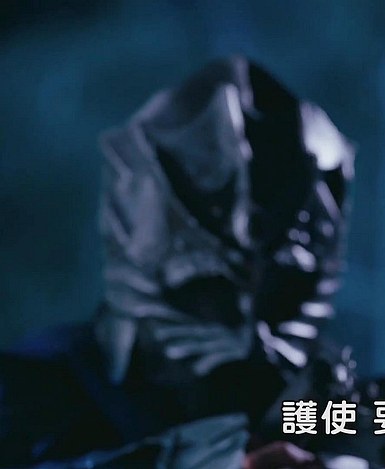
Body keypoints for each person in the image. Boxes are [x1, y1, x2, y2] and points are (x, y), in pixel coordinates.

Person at [0, 56, 358, 468]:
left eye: (283, 291)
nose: (253, 333)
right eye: (211, 291)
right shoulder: (27, 392)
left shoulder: (327, 416)